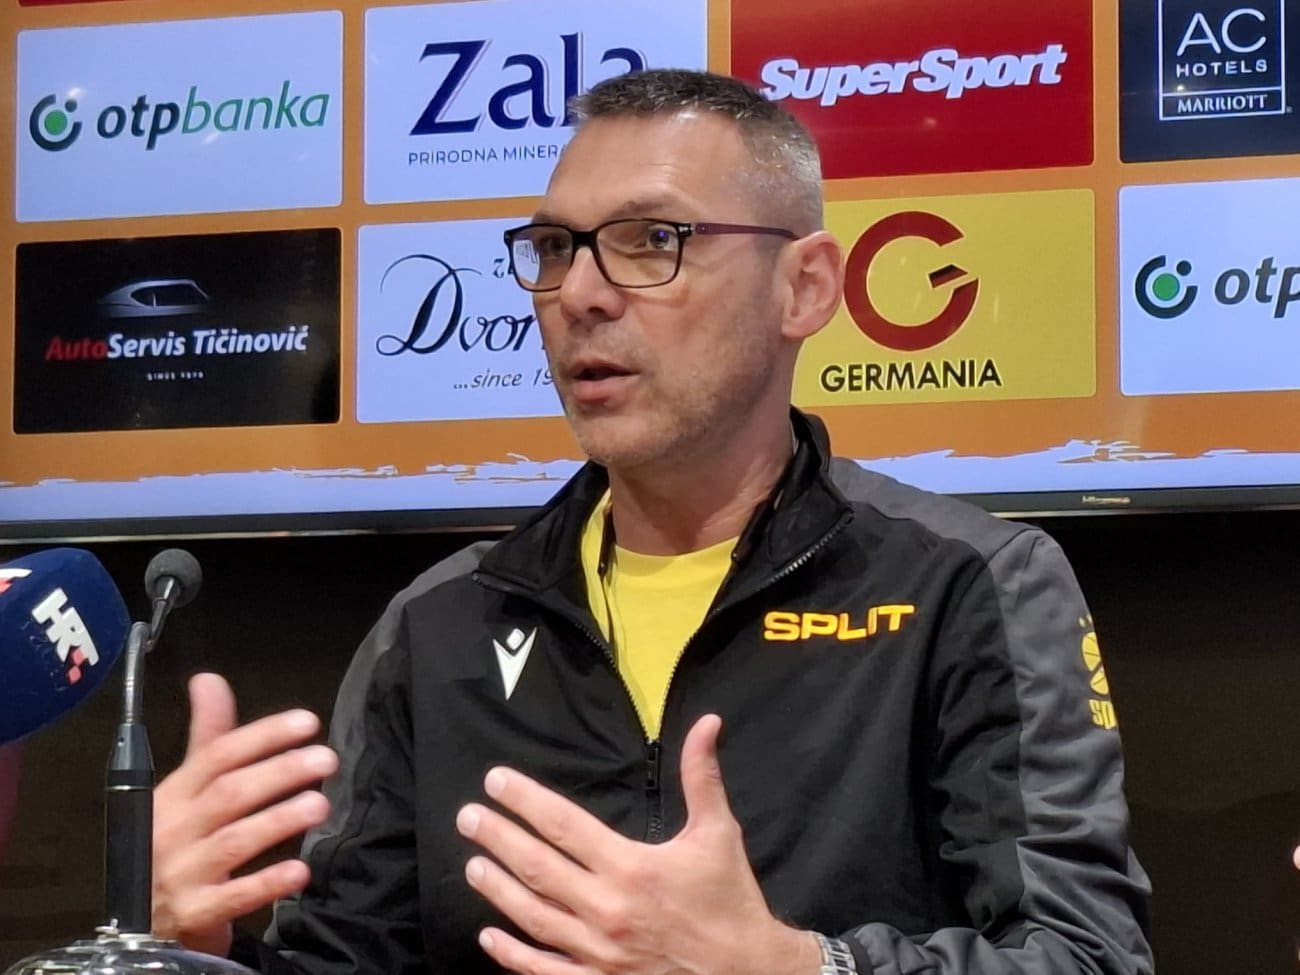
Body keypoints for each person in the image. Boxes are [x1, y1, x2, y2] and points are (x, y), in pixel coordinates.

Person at [151, 69, 1153, 975]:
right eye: (555, 249)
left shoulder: (966, 582)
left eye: (652, 242)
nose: (580, 295)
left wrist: (794, 969)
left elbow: (1085, 956)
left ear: (804, 288)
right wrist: (189, 952)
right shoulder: (440, 623)